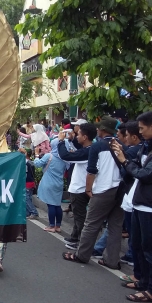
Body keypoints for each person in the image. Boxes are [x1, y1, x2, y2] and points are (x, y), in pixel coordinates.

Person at [62, 115, 123, 270]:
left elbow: (91, 171)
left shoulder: (97, 146)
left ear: (102, 130)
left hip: (103, 189)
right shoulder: (121, 144)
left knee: (91, 224)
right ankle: (112, 260)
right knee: (115, 226)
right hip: (120, 189)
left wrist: (88, 189)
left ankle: (81, 255)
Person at [111, 112, 152, 302]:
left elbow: (144, 174)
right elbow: (136, 166)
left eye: (143, 128)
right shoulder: (145, 146)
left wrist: (125, 161)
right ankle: (142, 281)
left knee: (148, 249)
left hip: (148, 207)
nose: (140, 131)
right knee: (137, 245)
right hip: (138, 203)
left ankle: (149, 289)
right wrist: (125, 159)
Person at [57, 123, 96, 250]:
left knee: (80, 217)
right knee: (78, 214)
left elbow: (66, 156)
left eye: (78, 134)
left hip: (80, 189)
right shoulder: (91, 149)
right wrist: (71, 139)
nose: (76, 136)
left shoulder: (87, 152)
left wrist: (61, 142)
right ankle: (74, 238)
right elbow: (79, 147)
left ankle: (81, 243)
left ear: (85, 137)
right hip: (83, 187)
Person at [34, 139, 67, 232]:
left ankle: (52, 226)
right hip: (59, 183)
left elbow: (37, 164)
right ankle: (58, 226)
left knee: (51, 205)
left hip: (49, 183)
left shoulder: (49, 156)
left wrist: (36, 154)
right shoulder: (64, 158)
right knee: (57, 204)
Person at [19, 148, 38, 219]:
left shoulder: (25, 163)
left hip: (27, 182)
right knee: (28, 198)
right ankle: (28, 213)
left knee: (26, 198)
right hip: (31, 182)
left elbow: (25, 174)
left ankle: (34, 212)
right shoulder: (30, 162)